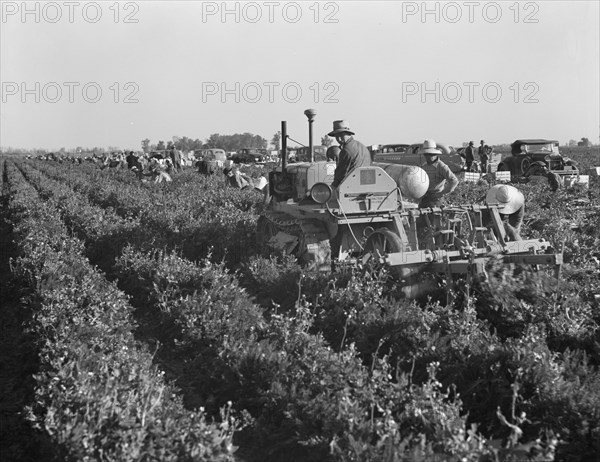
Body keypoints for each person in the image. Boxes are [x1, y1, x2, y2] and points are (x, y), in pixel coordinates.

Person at [328, 120, 371, 188]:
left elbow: (341, 173)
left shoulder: (346, 151)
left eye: (341, 135)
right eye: (336, 136)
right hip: (366, 184)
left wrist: (333, 187)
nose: (338, 139)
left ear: (348, 134)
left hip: (352, 186)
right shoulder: (362, 146)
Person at [418, 139, 459, 208]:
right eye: (426, 154)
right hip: (425, 198)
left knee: (435, 217)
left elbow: (454, 181)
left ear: (435, 154)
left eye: (430, 155)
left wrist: (441, 193)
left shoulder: (441, 166)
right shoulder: (423, 166)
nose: (427, 157)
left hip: (436, 199)